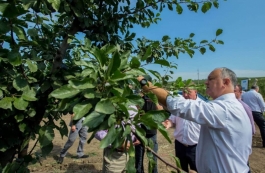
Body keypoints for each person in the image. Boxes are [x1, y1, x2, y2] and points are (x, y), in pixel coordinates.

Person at [137, 67, 252, 173]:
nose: (205, 82)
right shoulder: (228, 107)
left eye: (210, 79)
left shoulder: (225, 109)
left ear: (225, 82)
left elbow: (179, 105)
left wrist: (145, 84)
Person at [163, 87, 201, 172]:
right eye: (184, 92)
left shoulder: (202, 106)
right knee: (180, 169)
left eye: (188, 92)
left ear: (195, 91)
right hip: (180, 145)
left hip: (195, 148)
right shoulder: (180, 106)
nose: (185, 95)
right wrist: (168, 123)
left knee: (196, 170)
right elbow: (172, 120)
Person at [95, 105, 139, 173]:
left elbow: (137, 125)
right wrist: (118, 143)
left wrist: (137, 137)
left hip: (129, 155)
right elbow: (98, 132)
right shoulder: (108, 106)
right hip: (114, 156)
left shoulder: (133, 107)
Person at [135, 90, 163, 173]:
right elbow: (136, 113)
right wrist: (139, 99)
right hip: (140, 134)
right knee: (139, 159)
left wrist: (155, 100)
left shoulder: (155, 100)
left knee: (153, 159)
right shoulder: (140, 100)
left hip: (151, 134)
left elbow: (160, 113)